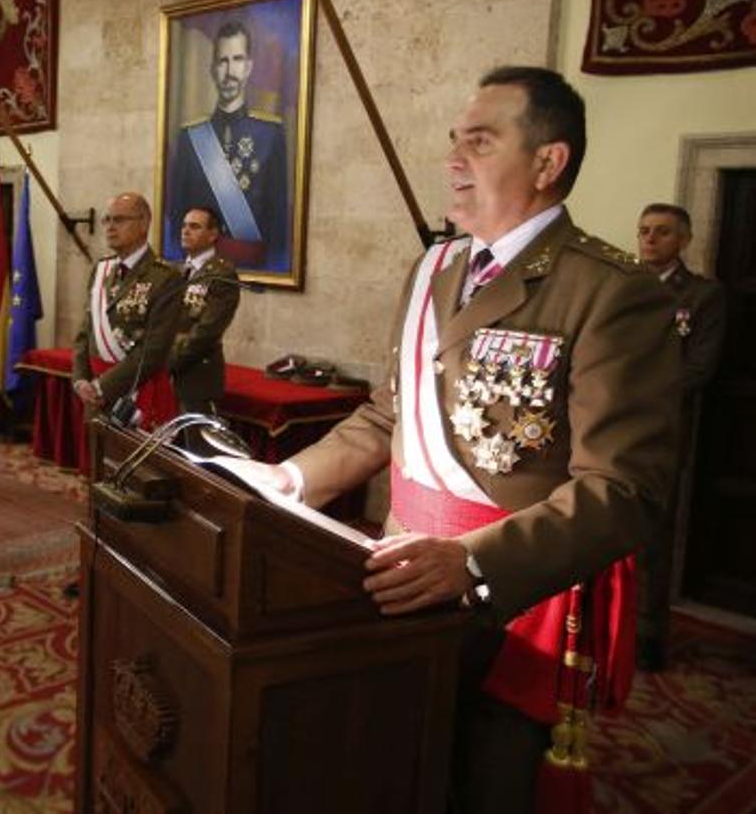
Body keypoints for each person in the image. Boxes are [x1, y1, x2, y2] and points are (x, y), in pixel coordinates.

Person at [244, 67, 679, 812]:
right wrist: (287, 481)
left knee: (486, 779)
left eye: (479, 142)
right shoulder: (432, 269)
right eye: (454, 141)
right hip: (399, 561)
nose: (452, 160)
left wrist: (472, 564)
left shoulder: (611, 290)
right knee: (398, 756)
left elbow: (621, 491)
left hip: (510, 592)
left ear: (548, 163)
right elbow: (388, 417)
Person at [634, 202, 726, 671]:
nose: (650, 240)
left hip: (663, 432)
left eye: (662, 233)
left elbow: (697, 369)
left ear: (684, 240)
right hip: (605, 429)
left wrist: (626, 393)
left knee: (653, 539)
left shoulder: (702, 297)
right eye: (645, 231)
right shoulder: (621, 285)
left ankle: (647, 636)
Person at [164, 20, 289, 271]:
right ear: (212, 69)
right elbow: (177, 211)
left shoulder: (271, 134)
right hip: (200, 267)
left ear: (249, 68)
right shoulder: (190, 137)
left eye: (238, 59)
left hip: (254, 269)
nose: (230, 71)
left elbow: (277, 218)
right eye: (222, 61)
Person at [72, 192, 182, 425]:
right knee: (98, 459)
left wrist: (103, 387)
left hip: (137, 396)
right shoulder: (101, 270)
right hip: (95, 394)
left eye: (120, 220)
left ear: (144, 224)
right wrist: (81, 379)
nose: (110, 227)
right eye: (107, 220)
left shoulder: (165, 277)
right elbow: (85, 333)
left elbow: (154, 350)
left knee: (134, 462)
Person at [168, 206, 241, 414]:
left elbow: (207, 331)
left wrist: (166, 361)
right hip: (166, 378)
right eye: (184, 226)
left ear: (213, 235)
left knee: (195, 445)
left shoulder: (222, 274)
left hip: (197, 378)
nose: (185, 231)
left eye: (194, 227)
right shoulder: (177, 270)